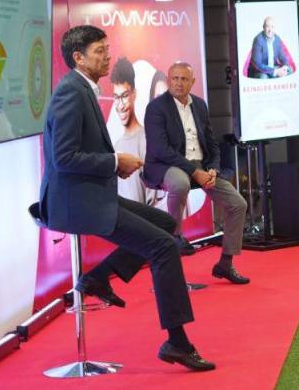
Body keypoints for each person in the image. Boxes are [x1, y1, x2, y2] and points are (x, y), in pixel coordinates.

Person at [38, 26, 213, 371]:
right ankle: (177, 342)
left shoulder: (84, 89)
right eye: (100, 51)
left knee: (164, 222)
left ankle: (99, 277)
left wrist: (113, 165)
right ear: (79, 57)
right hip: (76, 201)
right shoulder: (71, 94)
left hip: (91, 193)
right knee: (163, 245)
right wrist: (116, 162)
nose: (107, 56)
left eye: (106, 49)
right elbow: (63, 158)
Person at [144, 62, 250, 284]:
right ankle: (175, 237)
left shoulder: (200, 106)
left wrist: (213, 169)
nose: (178, 83)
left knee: (238, 204)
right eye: (174, 79)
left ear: (192, 82)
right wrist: (194, 172)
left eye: (184, 79)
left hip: (201, 167)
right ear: (169, 80)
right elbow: (160, 149)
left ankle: (225, 263)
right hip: (168, 165)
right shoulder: (156, 108)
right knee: (180, 183)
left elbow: (212, 145)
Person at [109, 57, 148, 204]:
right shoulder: (115, 146)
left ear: (134, 94)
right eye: (116, 97)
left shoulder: (148, 139)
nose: (120, 105)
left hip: (146, 223)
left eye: (124, 96)